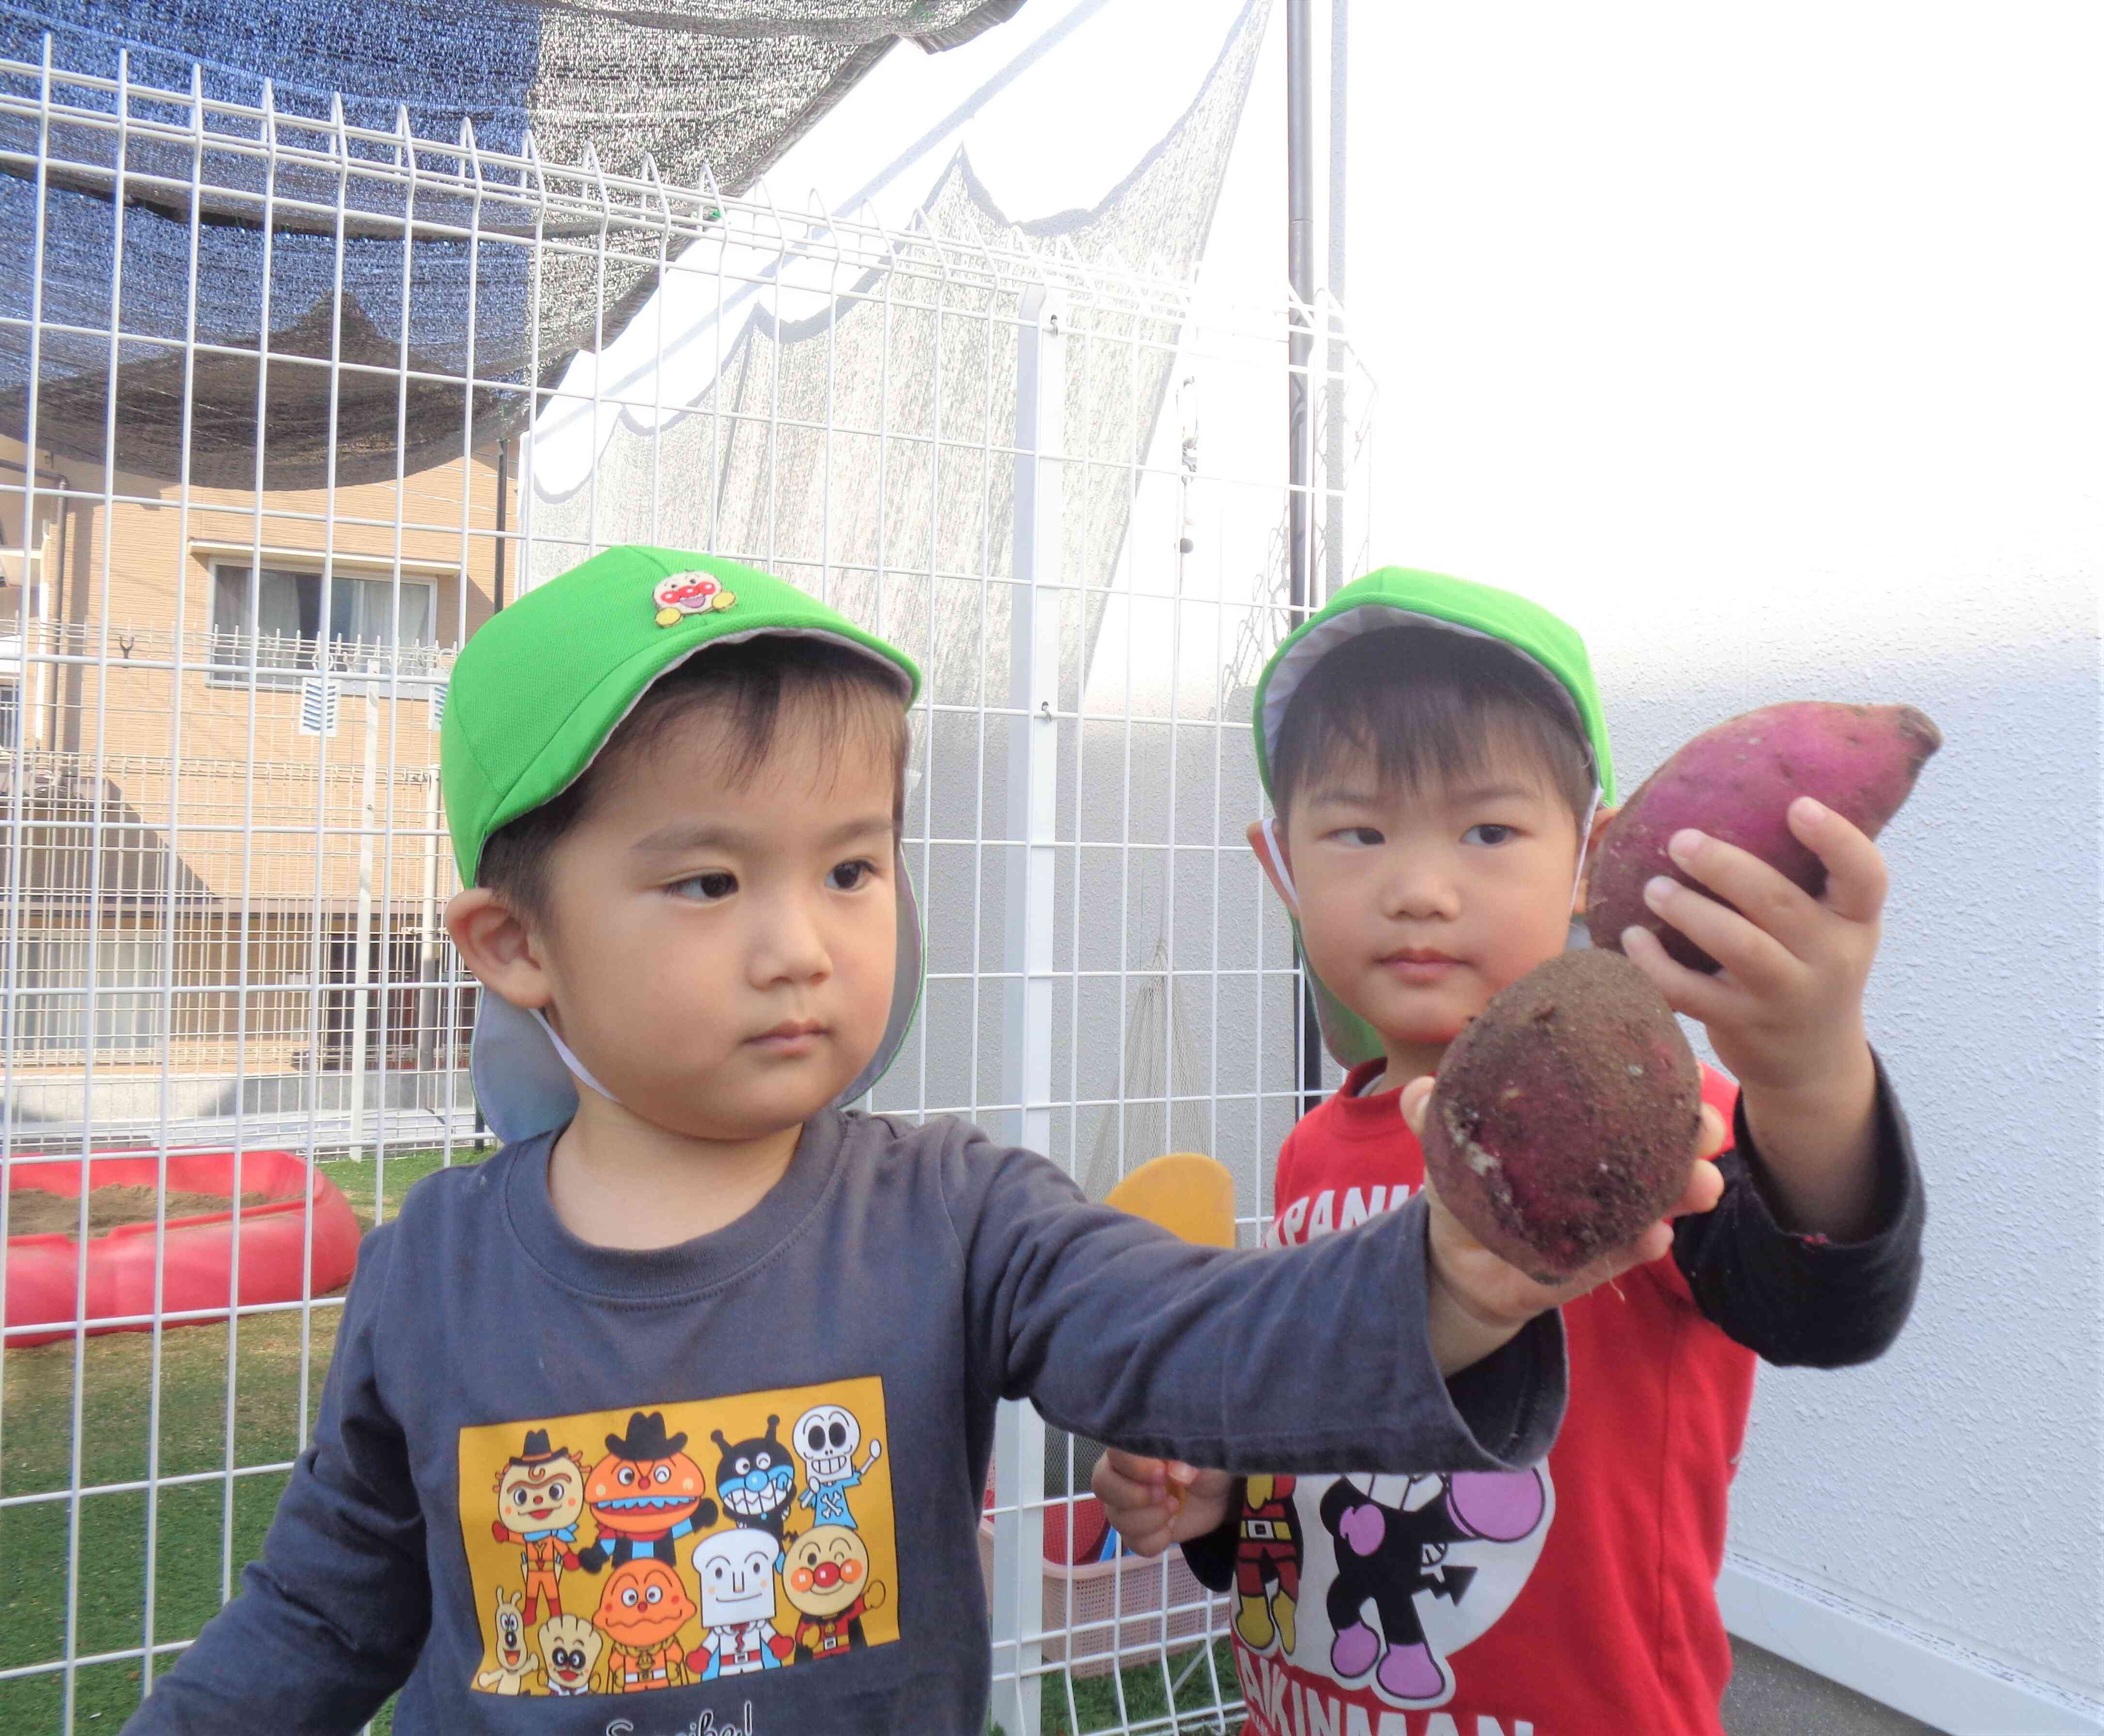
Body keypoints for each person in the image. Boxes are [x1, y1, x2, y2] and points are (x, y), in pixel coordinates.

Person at [120, 548, 1723, 1736]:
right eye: (707, 883)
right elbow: (321, 1613)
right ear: (517, 942)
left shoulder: (952, 1216)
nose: (799, 945)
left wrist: (1453, 1279)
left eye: (848, 869)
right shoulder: (432, 1275)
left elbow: (1187, 1328)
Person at [1092, 567, 1926, 1736]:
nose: (1421, 888)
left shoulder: (1637, 1117)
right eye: (1358, 830)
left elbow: (1825, 1301)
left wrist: (1813, 1072)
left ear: (1589, 855)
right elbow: (1308, 1483)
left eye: (1489, 830)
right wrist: (1219, 1497)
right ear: (1282, 863)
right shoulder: (1310, 1155)